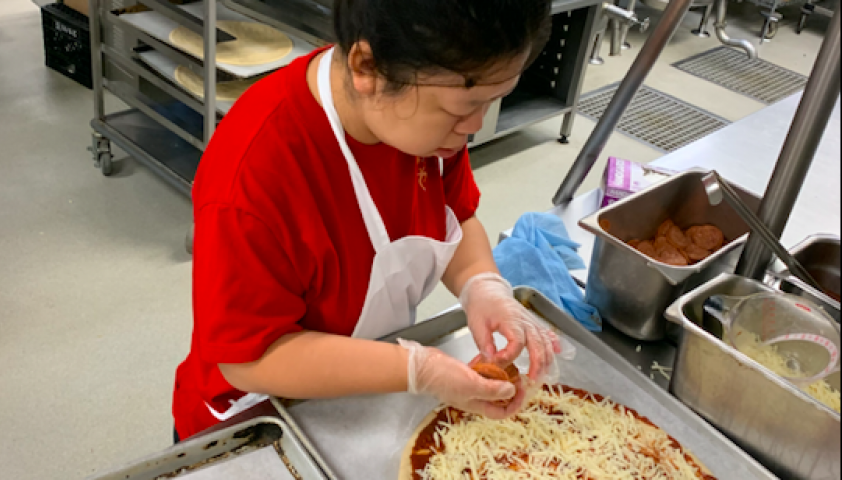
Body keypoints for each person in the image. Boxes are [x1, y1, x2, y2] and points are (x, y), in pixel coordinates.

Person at [172, 0, 562, 441]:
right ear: (367, 68)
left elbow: (456, 213)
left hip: (364, 386)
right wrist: (420, 370)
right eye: (461, 109)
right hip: (255, 417)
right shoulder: (254, 176)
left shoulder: (423, 127)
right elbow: (250, 358)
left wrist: (482, 286)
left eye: (492, 102)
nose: (473, 126)